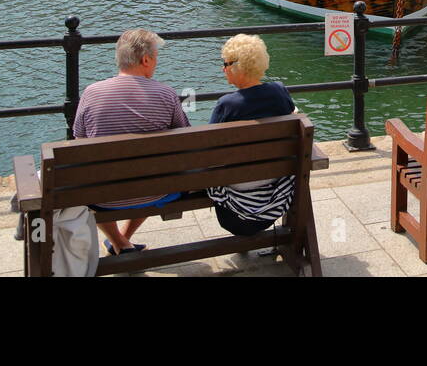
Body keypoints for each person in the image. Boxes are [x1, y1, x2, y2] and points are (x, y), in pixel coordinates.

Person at [72, 29, 190, 256]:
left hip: (101, 196)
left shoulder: (92, 93)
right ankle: (122, 242)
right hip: (157, 190)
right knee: (150, 171)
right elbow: (184, 139)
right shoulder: (166, 94)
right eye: (156, 57)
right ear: (146, 60)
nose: (156, 62)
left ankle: (119, 242)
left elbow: (80, 142)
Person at [206, 35, 298, 237]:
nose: (223, 68)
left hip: (234, 209)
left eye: (226, 64)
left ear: (237, 67)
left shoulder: (226, 105)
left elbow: (208, 151)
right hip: (277, 197)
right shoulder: (280, 92)